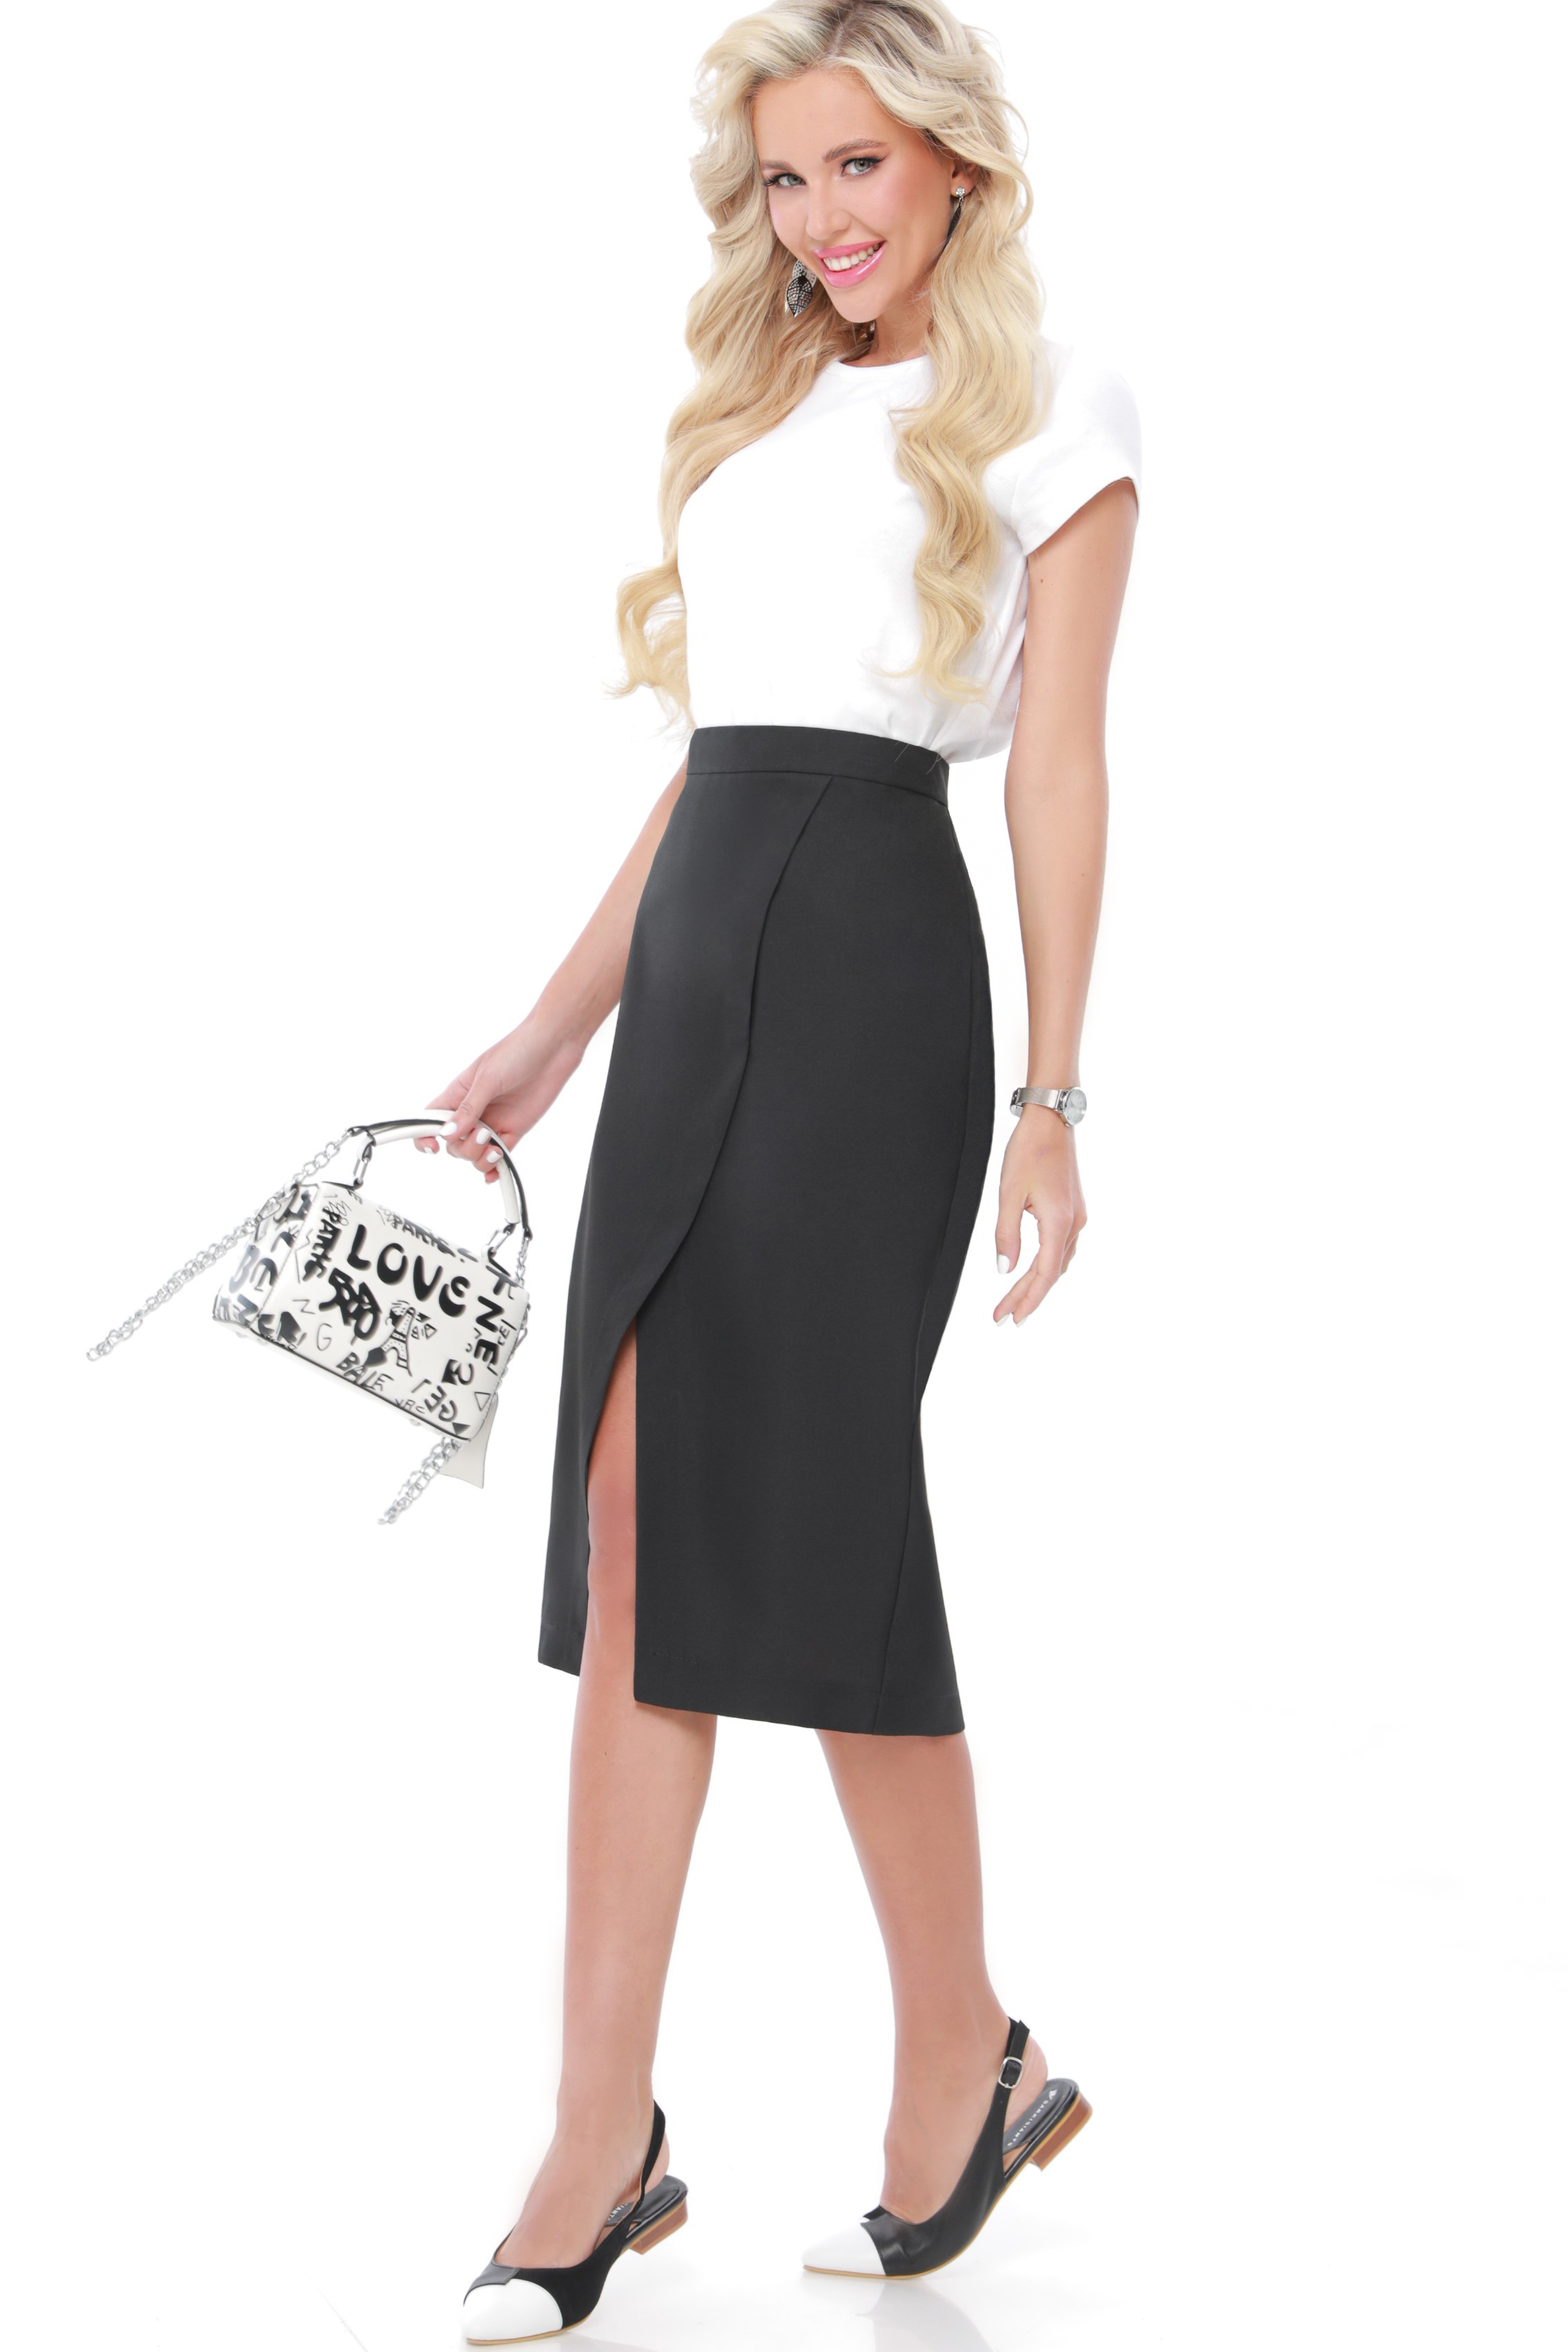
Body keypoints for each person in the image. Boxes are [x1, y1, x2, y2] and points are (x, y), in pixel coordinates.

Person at [425, 3, 1140, 2338]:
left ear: (954, 166)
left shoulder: (1052, 410)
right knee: (643, 1527)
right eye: (784, 179)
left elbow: (1058, 765)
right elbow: (711, 757)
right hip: (701, 951)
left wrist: (1055, 1098)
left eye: (858, 166)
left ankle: (918, 2064)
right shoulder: (758, 412)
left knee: (806, 1524)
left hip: (873, 984)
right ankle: (640, 2123)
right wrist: (556, 1023)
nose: (821, 217)